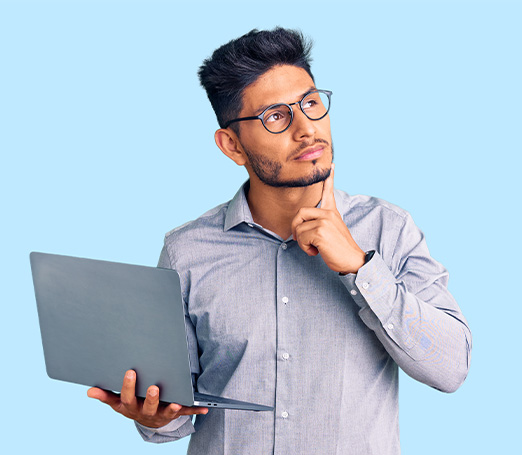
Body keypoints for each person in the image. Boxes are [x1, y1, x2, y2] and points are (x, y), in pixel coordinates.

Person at [87, 27, 472, 454]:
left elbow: (450, 367)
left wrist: (360, 268)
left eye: (310, 103)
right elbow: (177, 416)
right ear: (232, 145)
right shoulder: (188, 251)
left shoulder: (388, 228)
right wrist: (156, 417)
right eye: (275, 115)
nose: (306, 129)